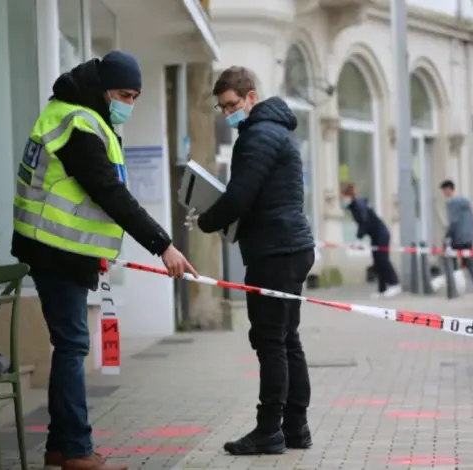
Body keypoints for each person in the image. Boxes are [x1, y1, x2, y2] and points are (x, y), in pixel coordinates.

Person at [12, 51, 197, 470]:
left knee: (71, 345)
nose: (128, 104)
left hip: (61, 249)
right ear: (101, 89)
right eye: (123, 94)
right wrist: (162, 244)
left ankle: (61, 446)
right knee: (73, 345)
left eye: (134, 96)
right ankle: (76, 450)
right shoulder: (77, 123)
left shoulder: (88, 118)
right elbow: (108, 193)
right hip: (52, 248)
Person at [187, 66, 316, 455]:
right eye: (222, 108)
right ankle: (296, 428)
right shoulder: (277, 132)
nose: (228, 114)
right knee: (287, 339)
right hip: (292, 248)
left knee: (270, 341)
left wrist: (205, 220)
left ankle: (269, 430)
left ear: (251, 99)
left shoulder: (256, 136)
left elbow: (239, 196)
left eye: (232, 105)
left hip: (274, 252)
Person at [340, 182, 402, 298]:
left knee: (383, 260)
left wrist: (358, 240)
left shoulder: (358, 206)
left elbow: (364, 223)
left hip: (381, 234)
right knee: (377, 261)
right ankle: (382, 289)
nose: (342, 200)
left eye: (343, 197)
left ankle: (394, 284)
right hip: (375, 235)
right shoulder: (355, 205)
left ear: (348, 196)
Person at [440, 179, 473, 297]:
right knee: (470, 263)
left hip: (457, 237)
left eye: (444, 191)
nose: (444, 193)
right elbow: (472, 218)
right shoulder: (465, 201)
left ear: (448, 189)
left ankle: (454, 288)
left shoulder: (451, 203)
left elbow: (453, 221)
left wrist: (447, 235)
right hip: (468, 237)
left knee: (449, 260)